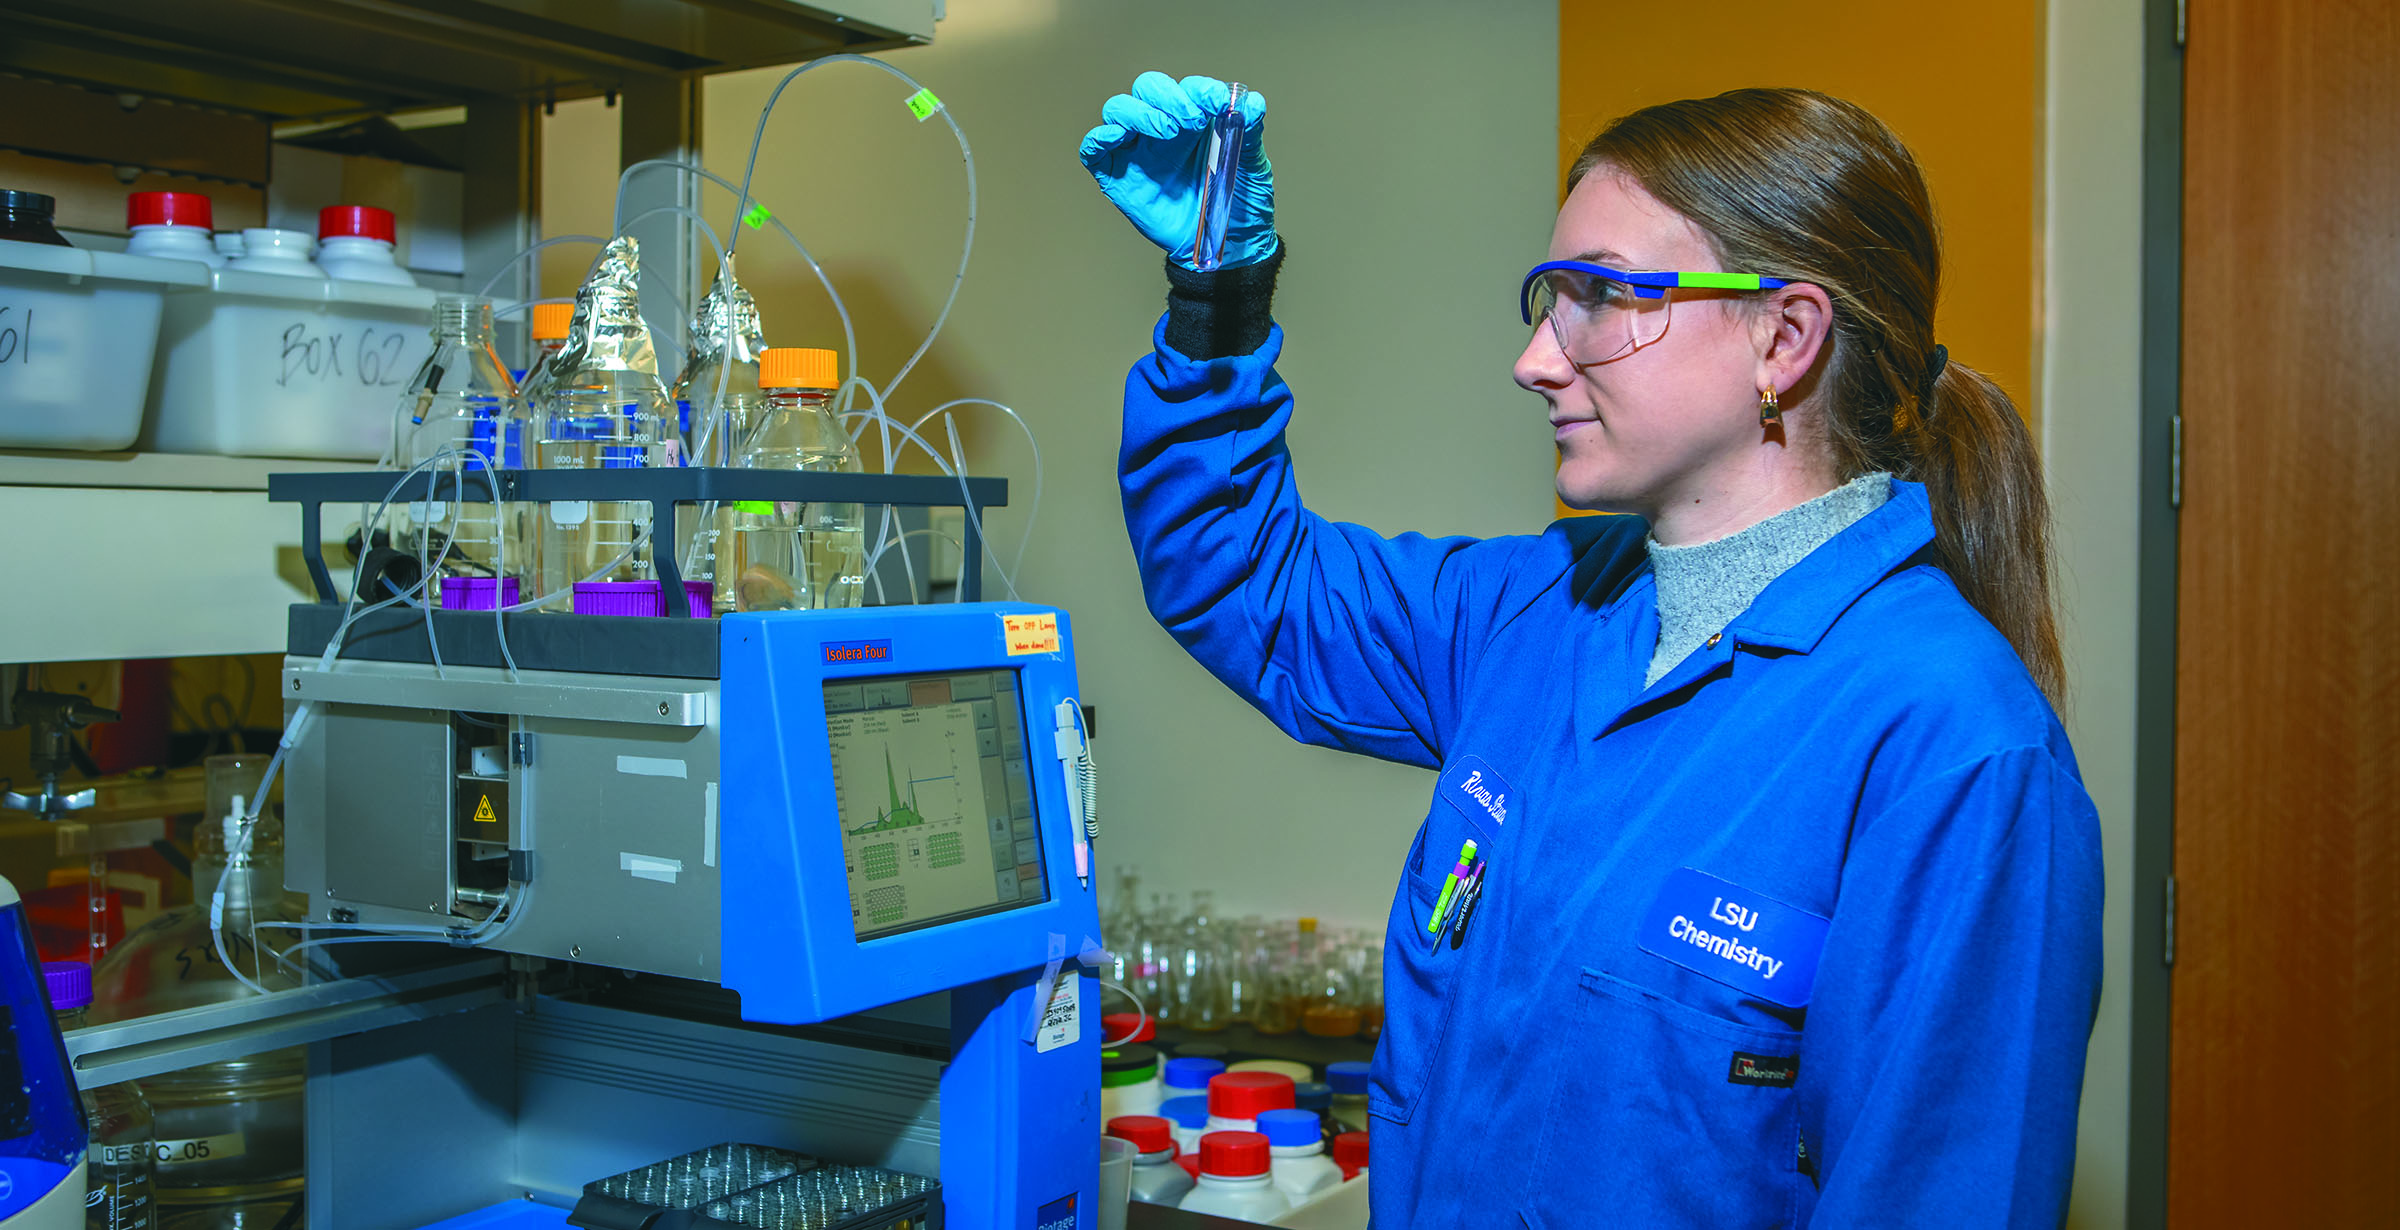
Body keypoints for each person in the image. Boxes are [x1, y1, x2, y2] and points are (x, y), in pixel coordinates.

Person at [1081, 73, 2104, 1227]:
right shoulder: (1535, 614)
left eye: (1599, 300)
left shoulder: (1954, 750)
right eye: (1546, 301)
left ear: (1786, 336)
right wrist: (1219, 297)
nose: (1536, 360)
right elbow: (1242, 574)